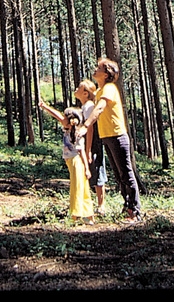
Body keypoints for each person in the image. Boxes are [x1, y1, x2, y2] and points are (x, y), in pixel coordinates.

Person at [78, 57, 141, 221]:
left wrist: (86, 125)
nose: (95, 70)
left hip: (117, 136)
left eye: (99, 68)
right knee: (119, 176)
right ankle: (127, 207)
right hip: (107, 137)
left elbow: (99, 108)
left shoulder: (110, 88)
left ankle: (135, 211)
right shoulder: (99, 91)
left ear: (106, 74)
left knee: (126, 173)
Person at [39, 98, 95, 224]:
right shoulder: (68, 129)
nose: (61, 120)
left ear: (70, 121)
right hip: (72, 161)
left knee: (77, 187)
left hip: (77, 162)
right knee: (81, 186)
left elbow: (81, 153)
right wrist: (45, 106)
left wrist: (86, 169)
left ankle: (76, 215)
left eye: (64, 118)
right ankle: (87, 215)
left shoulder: (78, 134)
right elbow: (57, 115)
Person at [74, 79, 107, 216]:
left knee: (97, 171)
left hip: (93, 143)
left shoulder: (88, 106)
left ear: (86, 93)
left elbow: (91, 129)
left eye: (79, 88)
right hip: (87, 143)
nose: (76, 89)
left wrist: (88, 149)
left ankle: (101, 205)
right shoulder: (84, 106)